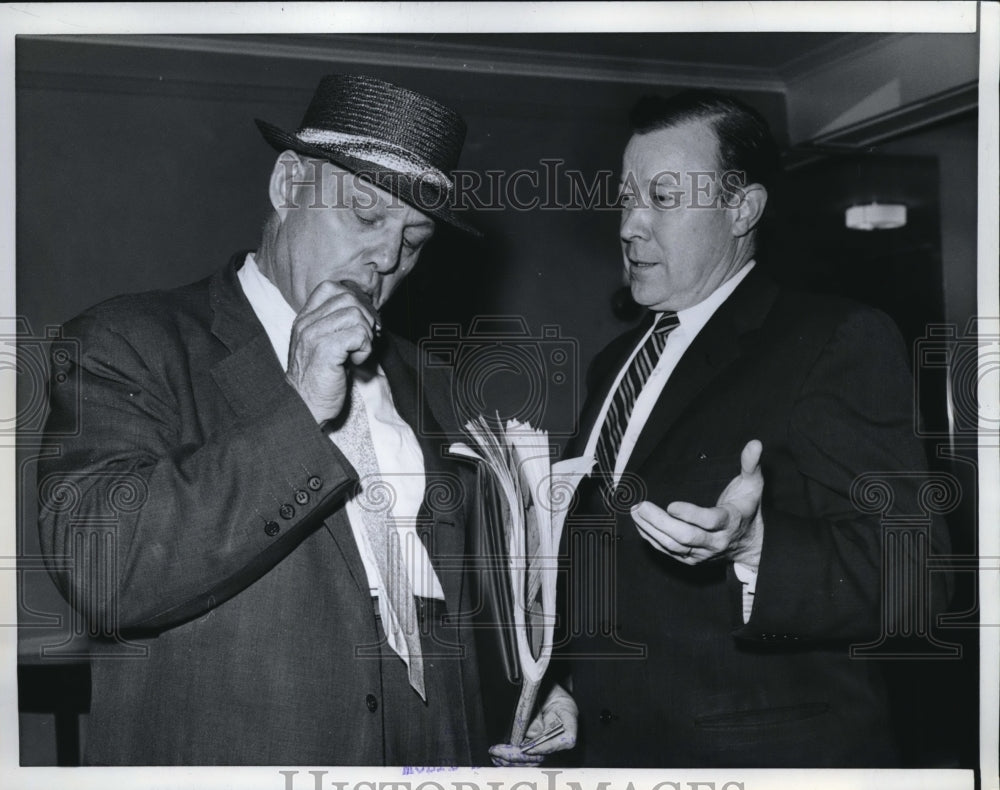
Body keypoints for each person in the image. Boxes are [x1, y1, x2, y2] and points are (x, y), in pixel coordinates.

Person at [36, 74, 492, 766]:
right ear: (287, 185)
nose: (388, 258)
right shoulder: (131, 341)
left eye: (415, 237)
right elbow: (104, 573)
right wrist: (301, 401)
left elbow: (453, 600)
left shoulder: (427, 380)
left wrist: (526, 685)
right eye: (365, 216)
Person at [508, 89, 951, 768]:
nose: (630, 225)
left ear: (741, 209)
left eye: (662, 197)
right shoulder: (615, 362)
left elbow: (919, 579)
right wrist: (569, 684)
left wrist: (758, 549)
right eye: (626, 197)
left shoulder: (834, 339)